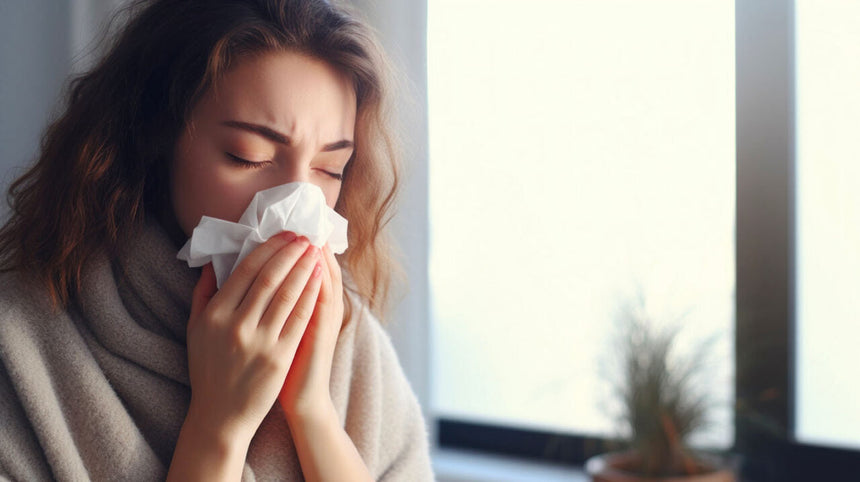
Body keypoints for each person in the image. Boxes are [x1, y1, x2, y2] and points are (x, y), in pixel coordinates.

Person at [0, 0, 434, 480]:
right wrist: (217, 427)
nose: (297, 203)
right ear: (156, 140)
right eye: (247, 156)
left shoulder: (350, 336)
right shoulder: (23, 346)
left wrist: (313, 411)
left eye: (330, 168)